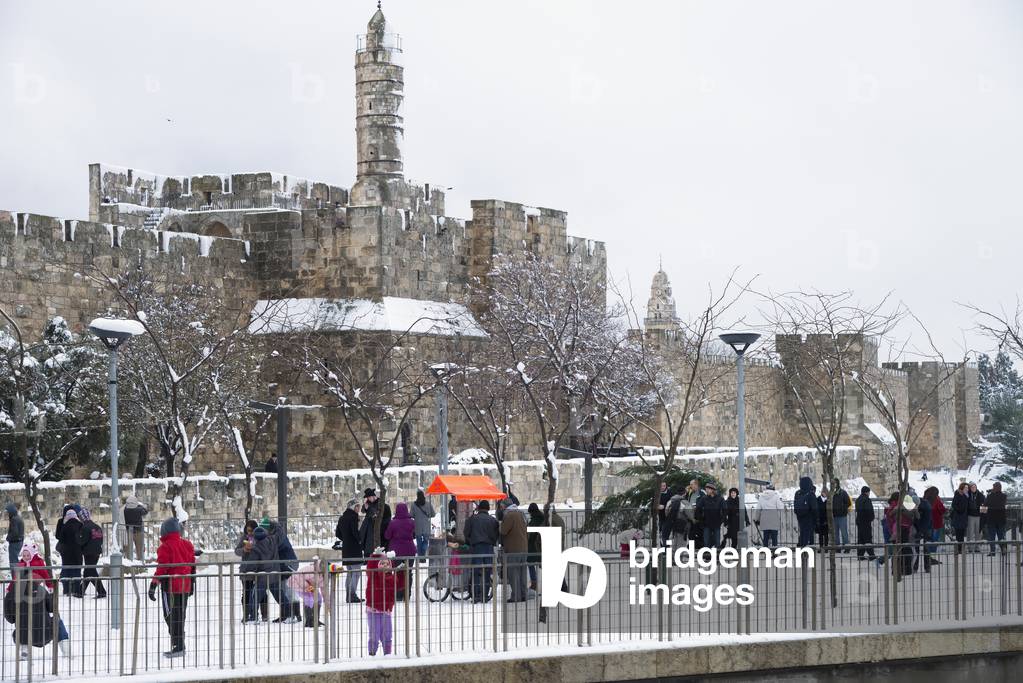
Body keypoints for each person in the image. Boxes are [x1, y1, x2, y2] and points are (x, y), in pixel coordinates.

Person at [5, 542, 70, 656]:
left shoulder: (14, 594)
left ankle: (24, 650)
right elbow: (52, 608)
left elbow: (10, 617)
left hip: (23, 633)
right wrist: (50, 589)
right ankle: (66, 649)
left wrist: (10, 591)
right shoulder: (41, 591)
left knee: (21, 625)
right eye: (24, 555)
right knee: (57, 621)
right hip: (44, 633)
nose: (26, 557)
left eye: (28, 555)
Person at [147, 518, 197, 658]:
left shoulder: (165, 547)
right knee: (181, 615)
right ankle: (179, 643)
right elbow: (192, 565)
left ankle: (178, 645)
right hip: (185, 585)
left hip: (170, 588)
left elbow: (162, 568)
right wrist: (192, 583)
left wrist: (153, 584)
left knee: (170, 615)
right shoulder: (187, 544)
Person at [365, 550, 403, 656]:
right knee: (374, 634)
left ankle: (388, 654)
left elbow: (399, 586)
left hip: (386, 610)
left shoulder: (392, 578)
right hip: (373, 610)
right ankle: (372, 653)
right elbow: (370, 568)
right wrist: (375, 556)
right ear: (377, 565)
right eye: (382, 563)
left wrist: (401, 571)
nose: (385, 565)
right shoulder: (373, 575)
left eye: (387, 564)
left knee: (387, 634)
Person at [266, 520, 302, 623]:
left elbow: (273, 547)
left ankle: (294, 615)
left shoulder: (278, 536)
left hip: (287, 564)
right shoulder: (277, 535)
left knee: (287, 590)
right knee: (283, 589)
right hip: (283, 565)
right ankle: (286, 614)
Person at [463, 500, 499, 603]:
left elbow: (466, 532)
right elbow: (496, 535)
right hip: (488, 547)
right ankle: (485, 596)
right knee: (487, 572)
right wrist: (492, 542)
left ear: (479, 508)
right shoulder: (493, 520)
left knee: (476, 572)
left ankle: (476, 596)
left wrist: (470, 542)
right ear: (488, 508)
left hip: (476, 548)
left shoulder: (472, 519)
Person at [234, 520, 267, 622]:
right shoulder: (244, 538)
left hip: (258, 570)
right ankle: (247, 614)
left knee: (261, 593)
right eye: (248, 530)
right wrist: (244, 550)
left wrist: (254, 548)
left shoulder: (260, 538)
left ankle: (264, 614)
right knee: (246, 593)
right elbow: (237, 551)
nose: (250, 533)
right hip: (246, 570)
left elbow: (265, 551)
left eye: (252, 531)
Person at [499, 498, 528, 602]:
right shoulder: (521, 513)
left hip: (513, 549)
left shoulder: (509, 515)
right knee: (522, 573)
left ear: (505, 506)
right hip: (523, 548)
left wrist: (499, 524)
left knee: (513, 573)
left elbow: (503, 531)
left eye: (502, 506)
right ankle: (524, 594)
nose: (501, 508)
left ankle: (516, 596)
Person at [337, 500, 364, 603]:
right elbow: (355, 532)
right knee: (356, 572)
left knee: (350, 573)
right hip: (354, 548)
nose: (358, 508)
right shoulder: (353, 517)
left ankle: (349, 594)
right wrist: (359, 540)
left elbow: (337, 533)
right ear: (352, 507)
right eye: (357, 506)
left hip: (346, 548)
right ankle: (352, 595)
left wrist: (346, 539)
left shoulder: (342, 518)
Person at [77, 509, 107, 598]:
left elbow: (82, 541)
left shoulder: (85, 528)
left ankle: (102, 592)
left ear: (82, 518)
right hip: (97, 552)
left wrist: (77, 537)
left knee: (91, 571)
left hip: (88, 552)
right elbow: (101, 540)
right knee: (88, 571)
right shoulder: (97, 527)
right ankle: (80, 591)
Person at [287, 560, 326, 628]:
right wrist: (307, 586)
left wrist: (327, 601)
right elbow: (298, 576)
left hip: (310, 586)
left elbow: (324, 589)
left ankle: (316, 620)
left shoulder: (325, 575)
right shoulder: (311, 569)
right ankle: (309, 621)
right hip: (297, 583)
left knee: (319, 599)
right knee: (309, 599)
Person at [57, 508, 84, 598]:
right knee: (77, 571)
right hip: (77, 553)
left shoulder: (65, 526)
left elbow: (61, 539)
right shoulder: (80, 525)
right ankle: (76, 590)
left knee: (67, 571)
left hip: (66, 553)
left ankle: (66, 590)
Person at [359, 489, 392, 557]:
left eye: (369, 497)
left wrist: (369, 509)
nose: (368, 499)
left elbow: (376, 515)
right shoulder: (368, 503)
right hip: (368, 530)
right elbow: (363, 510)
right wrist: (365, 507)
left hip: (376, 530)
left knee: (373, 549)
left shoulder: (381, 505)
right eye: (367, 498)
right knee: (367, 548)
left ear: (373, 496)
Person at [694, 483, 725, 549]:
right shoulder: (704, 498)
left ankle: (717, 554)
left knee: (717, 542)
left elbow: (725, 510)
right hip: (706, 523)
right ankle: (707, 554)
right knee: (706, 543)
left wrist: (721, 520)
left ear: (712, 490)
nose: (706, 490)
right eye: (706, 489)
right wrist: (701, 519)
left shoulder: (720, 499)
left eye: (708, 489)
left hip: (716, 523)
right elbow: (698, 509)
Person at [793, 477, 818, 548]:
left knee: (803, 531)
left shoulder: (797, 493)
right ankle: (806, 549)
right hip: (809, 516)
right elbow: (814, 508)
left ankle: (801, 547)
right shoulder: (810, 493)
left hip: (800, 516)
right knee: (808, 533)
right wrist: (816, 518)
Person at [985, 482, 1008, 557]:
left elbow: (985, 504)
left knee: (992, 536)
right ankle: (1003, 550)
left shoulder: (989, 496)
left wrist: (990, 493)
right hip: (1001, 519)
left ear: (994, 488)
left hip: (991, 519)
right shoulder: (1004, 496)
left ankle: (992, 551)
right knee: (1001, 536)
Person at [526, 503, 545, 590]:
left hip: (533, 546)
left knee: (530, 564)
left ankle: (534, 583)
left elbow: (531, 534)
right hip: (540, 546)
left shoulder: (534, 521)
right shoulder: (543, 518)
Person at [854, 486, 876, 560]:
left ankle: (860, 555)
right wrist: (871, 518)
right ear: (867, 492)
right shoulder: (867, 500)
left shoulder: (858, 499)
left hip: (859, 521)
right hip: (866, 521)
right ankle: (871, 555)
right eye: (869, 492)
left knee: (861, 539)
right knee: (868, 538)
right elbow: (869, 511)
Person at [123, 495, 148, 561]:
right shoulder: (139, 510)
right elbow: (145, 511)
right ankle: (140, 560)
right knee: (139, 548)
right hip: (138, 531)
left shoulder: (125, 510)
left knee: (128, 548)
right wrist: (139, 505)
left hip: (128, 531)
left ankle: (128, 560)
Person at [913, 491, 933, 573]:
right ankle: (914, 567)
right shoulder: (914, 505)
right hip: (917, 527)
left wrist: (920, 532)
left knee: (926, 547)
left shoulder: (927, 507)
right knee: (915, 548)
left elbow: (926, 521)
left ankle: (927, 567)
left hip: (927, 528)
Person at [411, 490, 435, 557]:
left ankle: (420, 557)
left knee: (419, 543)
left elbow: (411, 515)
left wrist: (417, 516)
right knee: (426, 541)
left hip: (417, 527)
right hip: (426, 527)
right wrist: (428, 515)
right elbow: (433, 514)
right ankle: (423, 552)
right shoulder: (428, 504)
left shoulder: (413, 505)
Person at [831, 481, 852, 551]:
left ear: (837, 484)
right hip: (834, 516)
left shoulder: (843, 492)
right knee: (835, 533)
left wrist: (842, 508)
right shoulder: (831, 493)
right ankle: (837, 548)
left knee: (844, 532)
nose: (833, 485)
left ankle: (847, 548)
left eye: (834, 483)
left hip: (842, 516)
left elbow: (849, 503)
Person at [684, 480, 705, 548]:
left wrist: (697, 507)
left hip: (699, 517)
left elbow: (705, 503)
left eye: (691, 484)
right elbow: (685, 501)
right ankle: (691, 547)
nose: (690, 486)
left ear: (696, 485)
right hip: (691, 517)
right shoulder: (689, 492)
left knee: (700, 533)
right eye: (690, 484)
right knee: (691, 534)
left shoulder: (702, 493)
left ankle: (701, 548)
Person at [951, 482, 969, 554]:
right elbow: (954, 505)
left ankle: (961, 549)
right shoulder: (958, 495)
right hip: (958, 517)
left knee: (961, 535)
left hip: (963, 518)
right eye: (966, 488)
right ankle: (959, 549)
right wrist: (960, 510)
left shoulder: (966, 495)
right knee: (959, 535)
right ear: (962, 488)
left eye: (967, 488)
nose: (967, 489)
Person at [5, 503, 24, 572]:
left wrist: (8, 538)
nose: (7, 514)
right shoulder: (17, 517)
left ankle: (16, 577)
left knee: (13, 562)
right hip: (18, 541)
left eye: (8, 512)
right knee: (15, 561)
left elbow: (15, 532)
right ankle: (17, 577)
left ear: (11, 511)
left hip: (15, 542)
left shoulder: (14, 519)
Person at [966, 482, 985, 552]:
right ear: (970, 488)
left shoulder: (981, 495)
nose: (973, 488)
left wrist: (983, 516)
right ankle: (970, 547)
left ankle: (977, 547)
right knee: (970, 532)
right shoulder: (967, 495)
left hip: (979, 516)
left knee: (978, 532)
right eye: (972, 487)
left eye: (974, 487)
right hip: (970, 516)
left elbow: (984, 505)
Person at [657, 481, 672, 546]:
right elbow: (653, 503)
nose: (662, 487)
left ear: (666, 486)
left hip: (668, 517)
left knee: (667, 534)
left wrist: (664, 506)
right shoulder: (657, 493)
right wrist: (656, 506)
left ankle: (667, 548)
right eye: (661, 486)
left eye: (664, 486)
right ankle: (663, 547)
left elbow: (672, 504)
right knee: (661, 534)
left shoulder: (670, 493)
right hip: (660, 517)